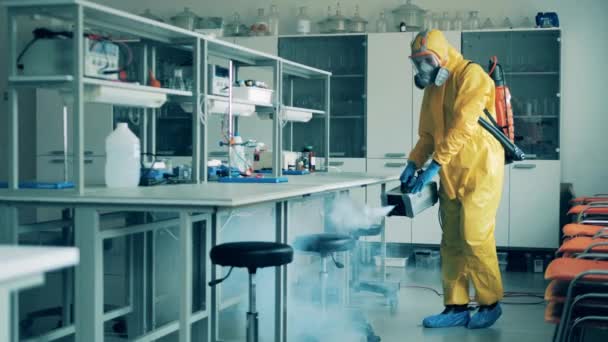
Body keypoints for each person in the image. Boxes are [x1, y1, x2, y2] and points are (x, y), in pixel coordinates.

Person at [401, 29, 505, 329]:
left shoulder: (471, 75)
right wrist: (414, 161)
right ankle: (455, 307)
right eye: (417, 62)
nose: (423, 69)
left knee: (475, 236)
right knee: (452, 242)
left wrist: (433, 166)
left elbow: (463, 127)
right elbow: (428, 135)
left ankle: (490, 302)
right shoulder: (434, 88)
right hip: (450, 171)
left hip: (480, 168)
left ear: (441, 54)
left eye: (427, 60)